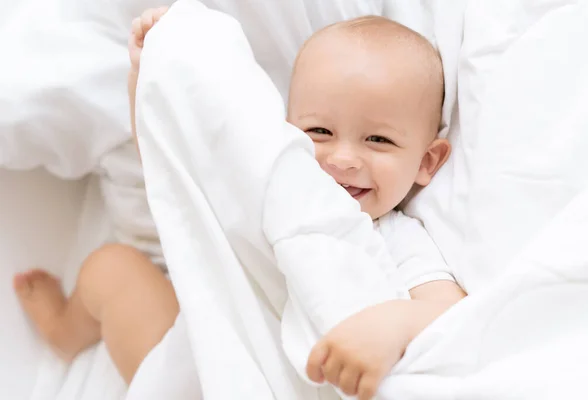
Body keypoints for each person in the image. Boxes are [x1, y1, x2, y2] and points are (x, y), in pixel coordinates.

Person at [13, 7, 465, 400]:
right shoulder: (267, 186)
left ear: (427, 161)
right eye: (319, 133)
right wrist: (150, 75)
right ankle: (66, 331)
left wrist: (391, 326)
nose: (343, 159)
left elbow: (449, 311)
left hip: (293, 380)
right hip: (203, 366)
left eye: (378, 140)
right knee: (108, 269)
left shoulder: (396, 237)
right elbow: (170, 162)